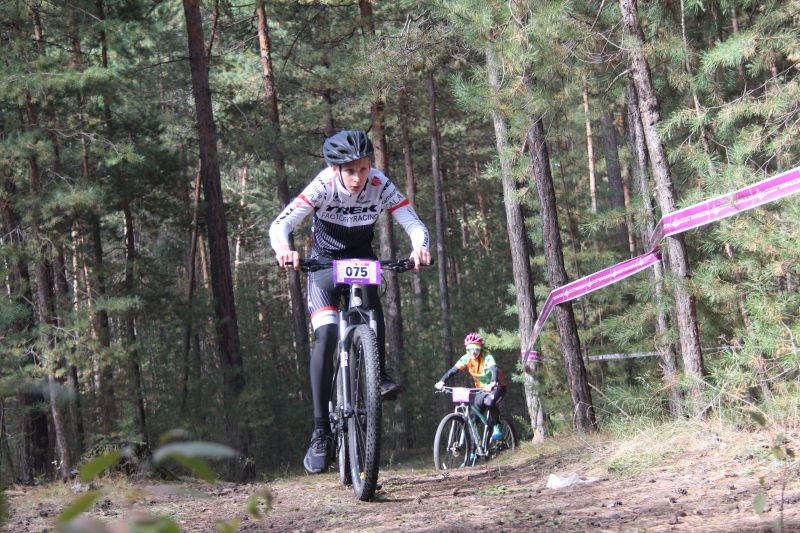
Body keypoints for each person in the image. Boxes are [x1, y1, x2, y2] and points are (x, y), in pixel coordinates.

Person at [269, 130, 431, 474]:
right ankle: (320, 432)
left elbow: (412, 221)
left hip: (361, 259)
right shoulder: (322, 185)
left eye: (363, 168)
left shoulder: (380, 183)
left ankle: (378, 374)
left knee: (371, 306)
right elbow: (280, 225)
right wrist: (285, 250)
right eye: (350, 171)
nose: (358, 178)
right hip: (324, 263)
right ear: (335, 169)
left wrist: (420, 248)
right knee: (327, 335)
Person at [435, 332, 507, 442]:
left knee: (489, 402)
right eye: (469, 350)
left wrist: (493, 382)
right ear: (466, 350)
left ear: (480, 349)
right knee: (472, 419)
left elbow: (494, 369)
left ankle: (497, 426)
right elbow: (453, 370)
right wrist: (441, 381)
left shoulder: (487, 357)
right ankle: (474, 448)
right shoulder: (466, 358)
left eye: (476, 349)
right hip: (481, 389)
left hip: (497, 387)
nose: (473, 353)